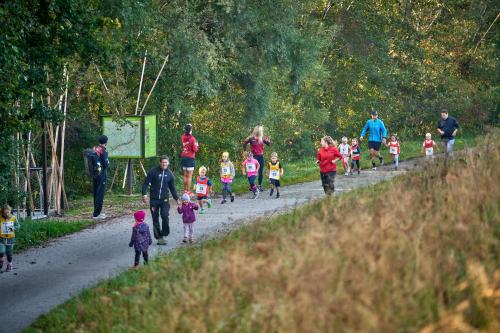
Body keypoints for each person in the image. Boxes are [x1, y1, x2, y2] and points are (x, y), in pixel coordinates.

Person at [142, 155, 180, 245]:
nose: (164, 164)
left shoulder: (170, 174)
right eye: (163, 162)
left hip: (165, 200)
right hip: (154, 201)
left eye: (166, 162)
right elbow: (145, 184)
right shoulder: (153, 172)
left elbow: (172, 188)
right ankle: (159, 238)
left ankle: (164, 233)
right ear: (160, 163)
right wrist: (144, 194)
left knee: (165, 216)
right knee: (155, 218)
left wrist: (177, 198)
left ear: (168, 163)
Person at [243, 125, 271, 192]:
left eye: (261, 131)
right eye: (261, 130)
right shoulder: (251, 138)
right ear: (257, 130)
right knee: (252, 171)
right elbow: (244, 143)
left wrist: (269, 141)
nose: (261, 132)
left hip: (261, 156)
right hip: (253, 157)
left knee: (260, 171)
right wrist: (244, 151)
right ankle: (252, 186)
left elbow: (269, 144)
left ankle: (259, 185)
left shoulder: (262, 138)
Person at [92, 135, 110, 219]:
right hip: (102, 175)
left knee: (96, 193)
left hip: (95, 174)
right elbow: (106, 164)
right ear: (106, 142)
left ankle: (96, 212)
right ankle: (97, 214)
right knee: (100, 194)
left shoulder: (94, 148)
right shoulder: (103, 151)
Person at [180, 124, 199, 197]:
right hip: (190, 158)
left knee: (185, 175)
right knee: (189, 176)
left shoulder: (183, 137)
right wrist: (197, 145)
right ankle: (188, 192)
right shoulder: (193, 139)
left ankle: (185, 191)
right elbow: (195, 150)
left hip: (184, 157)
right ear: (191, 130)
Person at [0, 204, 19, 272]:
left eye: (8, 212)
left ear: (10, 211)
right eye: (5, 213)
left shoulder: (13, 218)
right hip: (1, 238)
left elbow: (18, 226)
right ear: (2, 212)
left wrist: (13, 228)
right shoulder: (0, 217)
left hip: (10, 238)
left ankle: (9, 264)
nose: (7, 214)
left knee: (9, 253)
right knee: (1, 252)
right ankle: (1, 260)